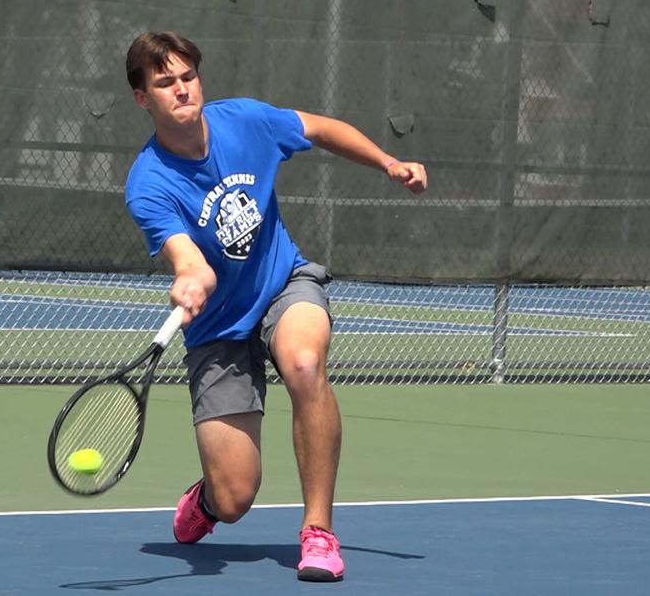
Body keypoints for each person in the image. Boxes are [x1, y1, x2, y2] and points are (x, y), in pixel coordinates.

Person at [123, 31, 427, 583]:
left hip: (283, 281)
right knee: (237, 495)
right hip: (217, 329)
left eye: (188, 76)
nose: (182, 90)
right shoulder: (148, 182)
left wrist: (387, 162)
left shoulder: (246, 121)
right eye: (165, 83)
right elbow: (186, 257)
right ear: (143, 98)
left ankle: (319, 533)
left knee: (305, 362)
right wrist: (191, 275)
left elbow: (321, 129)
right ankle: (209, 501)